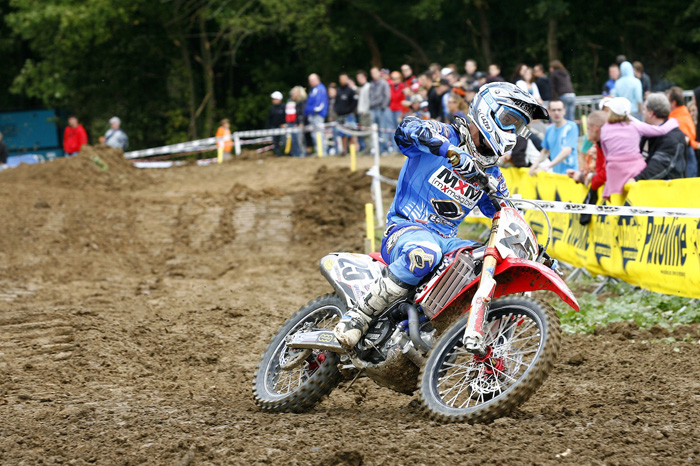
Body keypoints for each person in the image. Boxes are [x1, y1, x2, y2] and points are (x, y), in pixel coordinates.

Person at [333, 82, 549, 350]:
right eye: (509, 121)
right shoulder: (445, 134)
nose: (512, 132)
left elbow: (507, 213)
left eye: (518, 126)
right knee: (425, 253)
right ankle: (359, 316)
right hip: (405, 228)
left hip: (446, 240)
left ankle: (454, 340)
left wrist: (537, 251)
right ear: (487, 112)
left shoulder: (491, 174)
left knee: (483, 264)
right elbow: (407, 129)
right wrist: (450, 152)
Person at [599, 97, 678, 199]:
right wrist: (673, 121)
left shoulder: (604, 129)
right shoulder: (635, 126)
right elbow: (661, 131)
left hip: (614, 171)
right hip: (634, 167)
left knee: (618, 201)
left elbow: (606, 152)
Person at [635, 93, 687, 181]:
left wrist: (635, 179)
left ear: (651, 113)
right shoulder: (649, 132)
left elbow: (659, 166)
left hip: (668, 187)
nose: (643, 112)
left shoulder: (672, 137)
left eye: (644, 109)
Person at [529, 100, 579, 175]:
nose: (556, 113)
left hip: (570, 174)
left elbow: (567, 150)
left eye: (559, 110)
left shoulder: (571, 126)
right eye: (553, 110)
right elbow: (545, 151)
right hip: (556, 174)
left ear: (564, 111)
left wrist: (547, 167)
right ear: (549, 112)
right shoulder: (549, 129)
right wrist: (535, 165)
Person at [667, 86, 698, 177]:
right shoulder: (684, 113)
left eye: (668, 100)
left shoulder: (677, 119)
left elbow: (686, 139)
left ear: (673, 103)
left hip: (685, 157)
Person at [369, 66, 392, 154]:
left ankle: (385, 149)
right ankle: (377, 149)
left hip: (381, 110)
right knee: (374, 130)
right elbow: (370, 96)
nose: (374, 75)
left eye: (375, 72)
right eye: (372, 73)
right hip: (373, 109)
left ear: (379, 73)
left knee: (383, 130)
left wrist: (383, 107)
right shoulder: (371, 84)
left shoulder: (384, 83)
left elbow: (387, 96)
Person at [304, 73, 329, 156]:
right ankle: (319, 151)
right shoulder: (313, 89)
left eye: (312, 80)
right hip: (313, 115)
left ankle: (322, 152)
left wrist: (312, 110)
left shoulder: (320, 89)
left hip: (317, 115)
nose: (311, 82)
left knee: (319, 133)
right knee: (314, 134)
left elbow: (320, 104)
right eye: (310, 80)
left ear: (318, 79)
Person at [334, 72, 358, 155]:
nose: (343, 80)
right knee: (342, 134)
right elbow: (336, 102)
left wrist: (348, 110)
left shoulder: (351, 91)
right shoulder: (338, 91)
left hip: (349, 116)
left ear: (347, 79)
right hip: (340, 116)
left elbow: (354, 103)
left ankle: (353, 151)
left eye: (344, 78)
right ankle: (344, 151)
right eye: (341, 78)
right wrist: (337, 110)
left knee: (351, 133)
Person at [285, 86, 307, 157]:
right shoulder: (297, 102)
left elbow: (302, 113)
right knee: (295, 139)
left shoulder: (302, 101)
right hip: (296, 123)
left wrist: (301, 122)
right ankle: (298, 154)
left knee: (300, 139)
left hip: (300, 123)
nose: (293, 94)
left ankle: (302, 154)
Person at [266, 91, 287, 155]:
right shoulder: (271, 108)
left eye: (274, 99)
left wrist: (286, 124)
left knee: (285, 141)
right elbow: (269, 119)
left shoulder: (284, 107)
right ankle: (278, 155)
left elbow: (288, 117)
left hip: (283, 128)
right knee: (275, 142)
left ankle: (288, 154)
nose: (273, 100)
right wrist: (268, 129)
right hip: (274, 127)